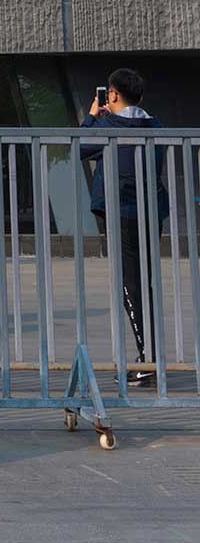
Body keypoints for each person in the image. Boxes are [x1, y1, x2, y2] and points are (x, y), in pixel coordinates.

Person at [80, 68, 167, 386]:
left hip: (122, 212)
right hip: (151, 210)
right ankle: (150, 357)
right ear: (140, 97)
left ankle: (148, 360)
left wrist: (92, 117)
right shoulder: (154, 124)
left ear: (112, 95)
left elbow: (80, 149)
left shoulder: (108, 124)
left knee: (130, 286)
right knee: (144, 282)